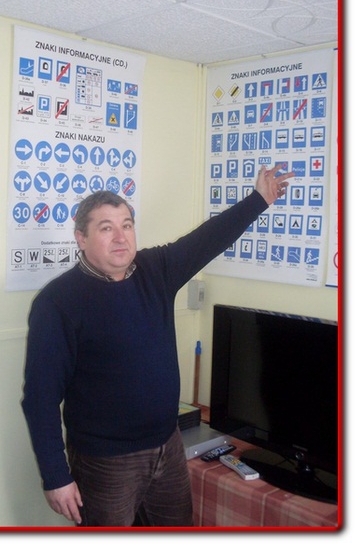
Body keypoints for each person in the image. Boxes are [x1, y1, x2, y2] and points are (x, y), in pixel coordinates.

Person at [21, 166, 293, 527]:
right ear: (81, 238)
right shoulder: (57, 302)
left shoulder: (155, 269)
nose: (121, 237)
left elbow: (208, 238)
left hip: (169, 444)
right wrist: (56, 475)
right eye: (106, 228)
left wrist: (259, 199)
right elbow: (39, 397)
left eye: (127, 225)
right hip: (106, 461)